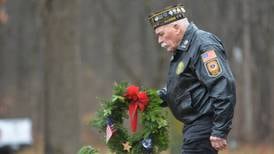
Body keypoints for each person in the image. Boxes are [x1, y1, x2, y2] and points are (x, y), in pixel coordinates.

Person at [148, 4, 236, 154]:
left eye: (161, 34)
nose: (160, 40)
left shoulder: (203, 45)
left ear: (176, 28)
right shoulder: (184, 49)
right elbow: (182, 90)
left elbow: (222, 85)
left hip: (204, 126)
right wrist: (147, 98)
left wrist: (219, 130)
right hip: (195, 128)